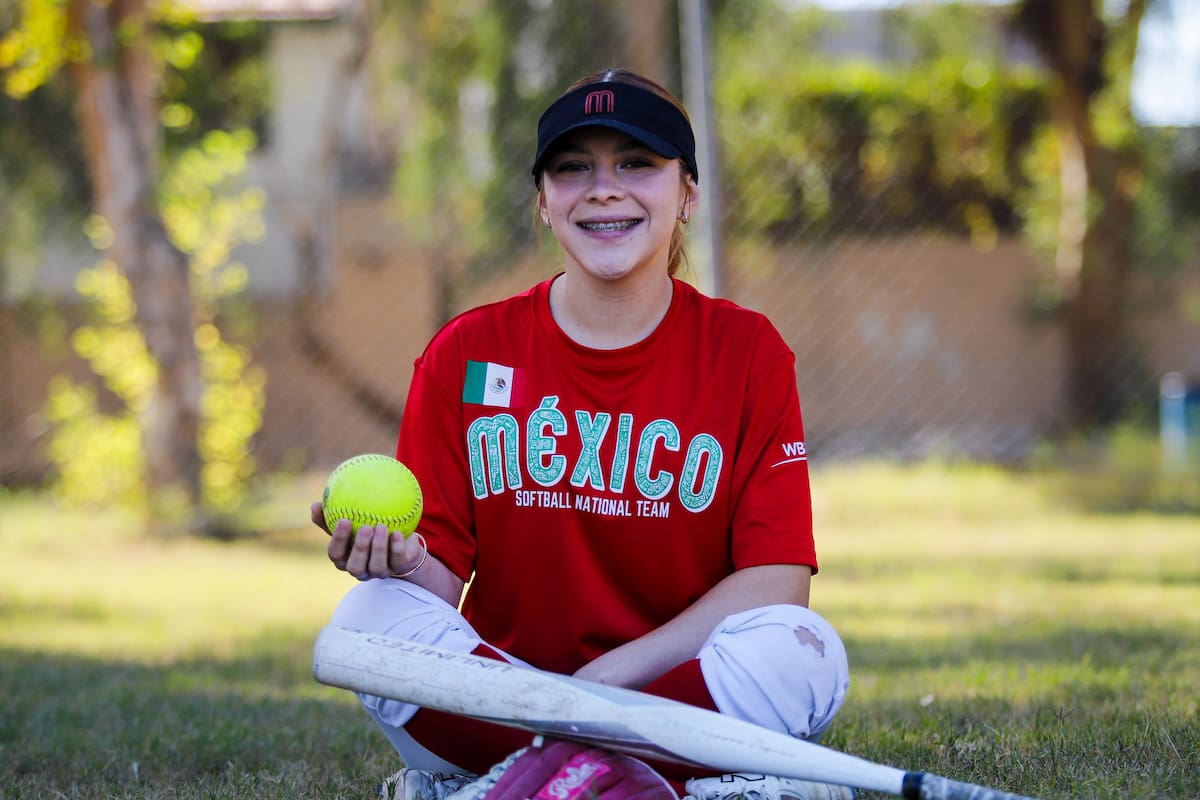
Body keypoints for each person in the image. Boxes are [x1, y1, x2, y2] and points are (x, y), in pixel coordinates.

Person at [312, 68, 851, 800]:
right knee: (368, 618)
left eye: (636, 162)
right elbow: (434, 586)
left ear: (688, 192)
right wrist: (395, 564)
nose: (603, 187)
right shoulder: (469, 354)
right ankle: (670, 785)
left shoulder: (746, 352)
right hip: (511, 694)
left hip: (667, 687)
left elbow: (777, 582)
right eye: (573, 168)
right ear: (543, 202)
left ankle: (522, 781)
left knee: (805, 651)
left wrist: (603, 682)